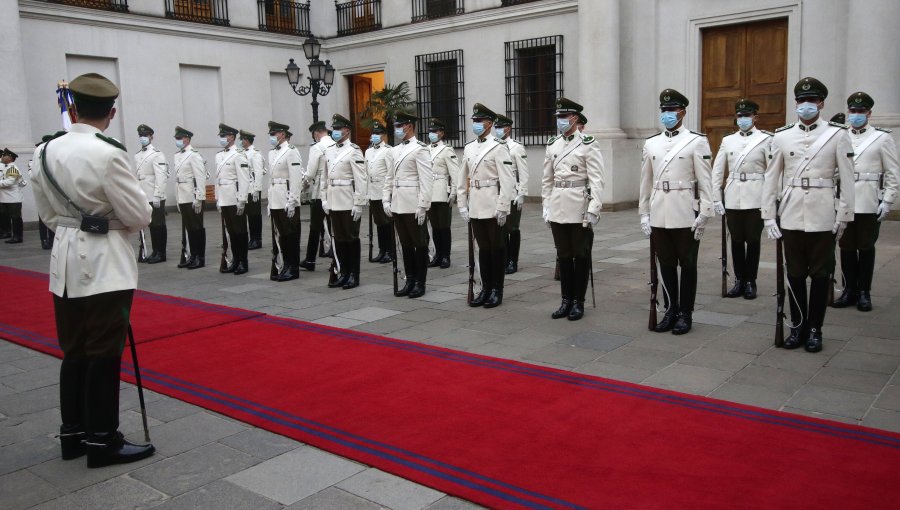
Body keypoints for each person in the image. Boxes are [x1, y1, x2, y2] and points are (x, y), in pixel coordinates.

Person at [29, 72, 155, 468]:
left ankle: (74, 434)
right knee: (104, 352)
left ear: (73, 108)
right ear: (111, 112)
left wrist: (72, 227)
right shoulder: (108, 152)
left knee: (75, 349)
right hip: (104, 264)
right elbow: (139, 214)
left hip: (64, 261)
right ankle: (103, 440)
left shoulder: (44, 150)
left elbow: (46, 214)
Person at [762, 77, 855, 353]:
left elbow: (847, 180)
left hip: (823, 213)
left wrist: (844, 215)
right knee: (795, 273)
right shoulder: (782, 135)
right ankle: (798, 325)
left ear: (821, 103)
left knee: (821, 274)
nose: (806, 105)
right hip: (791, 214)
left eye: (811, 101)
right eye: (801, 101)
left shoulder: (837, 134)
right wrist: (768, 216)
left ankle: (815, 329)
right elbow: (771, 177)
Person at [639, 89, 714, 335]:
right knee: (666, 265)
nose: (668, 114)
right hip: (660, 210)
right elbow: (645, 181)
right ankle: (670, 310)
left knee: (688, 264)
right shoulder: (651, 143)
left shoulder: (696, 140)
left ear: (682, 111)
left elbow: (705, 180)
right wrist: (644, 213)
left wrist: (705, 212)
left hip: (685, 211)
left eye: (672, 110)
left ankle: (685, 314)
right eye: (664, 110)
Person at [831, 91, 898, 311]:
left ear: (869, 113)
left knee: (866, 246)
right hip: (845, 201)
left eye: (861, 111)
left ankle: (864, 292)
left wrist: (888, 200)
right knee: (846, 246)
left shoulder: (882, 138)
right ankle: (848, 289)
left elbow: (892, 172)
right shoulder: (839, 135)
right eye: (853, 111)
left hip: (869, 199)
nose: (856, 114)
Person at [542, 98, 605, 320]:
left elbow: (597, 180)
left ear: (574, 118)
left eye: (563, 117)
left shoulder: (588, 143)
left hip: (580, 205)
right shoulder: (553, 144)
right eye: (558, 117)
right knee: (564, 255)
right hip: (558, 204)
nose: (560, 121)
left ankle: (579, 301)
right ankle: (565, 300)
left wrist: (594, 208)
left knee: (580, 254)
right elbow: (547, 180)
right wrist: (545, 205)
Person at [710, 99, 772, 299]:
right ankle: (738, 280)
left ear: (756, 117)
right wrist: (716, 197)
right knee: (736, 240)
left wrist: (773, 199)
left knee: (753, 240)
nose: (743, 119)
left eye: (747, 115)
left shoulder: (766, 139)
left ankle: (750, 281)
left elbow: (772, 172)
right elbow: (718, 170)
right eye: (740, 116)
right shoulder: (728, 140)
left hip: (756, 196)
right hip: (733, 196)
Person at [457, 103, 516, 308]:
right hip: (475, 204)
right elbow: (462, 177)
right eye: (474, 121)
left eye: (480, 121)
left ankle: (496, 290)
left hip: (492, 203)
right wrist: (462, 203)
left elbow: (507, 180)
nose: (476, 124)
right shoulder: (469, 147)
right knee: (483, 249)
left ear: (490, 124)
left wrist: (503, 207)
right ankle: (485, 288)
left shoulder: (499, 147)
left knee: (496, 248)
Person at [384, 111, 433, 298]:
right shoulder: (394, 150)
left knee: (419, 244)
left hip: (413, 202)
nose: (397, 129)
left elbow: (426, 180)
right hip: (398, 202)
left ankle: (420, 282)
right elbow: (389, 177)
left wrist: (423, 205)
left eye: (400, 125)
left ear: (410, 126)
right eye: (396, 125)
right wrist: (386, 199)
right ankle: (410, 278)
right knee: (405, 244)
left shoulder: (420, 149)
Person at [322, 114, 367, 289]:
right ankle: (343, 272)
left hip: (347, 199)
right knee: (339, 239)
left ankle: (354, 275)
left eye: (339, 129)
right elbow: (324, 177)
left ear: (347, 131)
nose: (336, 132)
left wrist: (358, 203)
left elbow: (361, 179)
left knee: (351, 238)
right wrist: (324, 198)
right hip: (333, 199)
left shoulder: (354, 150)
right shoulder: (330, 150)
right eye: (334, 129)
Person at [267, 121, 304, 281]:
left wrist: (293, 200)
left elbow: (295, 178)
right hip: (275, 197)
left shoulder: (291, 151)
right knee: (281, 234)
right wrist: (269, 201)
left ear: (282, 134)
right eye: (271, 134)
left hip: (286, 197)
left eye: (274, 134)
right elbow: (271, 179)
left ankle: (292, 268)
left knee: (290, 234)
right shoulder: (271, 153)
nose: (272, 137)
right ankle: (284, 265)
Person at [214, 123, 250, 274]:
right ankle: (235, 260)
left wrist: (242, 200)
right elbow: (217, 179)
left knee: (240, 231)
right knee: (231, 232)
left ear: (232, 137)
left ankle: (243, 261)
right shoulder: (219, 155)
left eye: (224, 136)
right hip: (224, 198)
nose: (222, 139)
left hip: (235, 198)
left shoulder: (239, 154)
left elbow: (244, 179)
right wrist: (217, 198)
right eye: (221, 136)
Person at [494, 113, 528, 274]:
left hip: (512, 192)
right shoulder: (493, 146)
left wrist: (522, 193)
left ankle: (512, 261)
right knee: (500, 228)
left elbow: (523, 172)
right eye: (496, 127)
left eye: (500, 127)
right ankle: (503, 258)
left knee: (512, 228)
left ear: (508, 128)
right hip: (497, 192)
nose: (498, 130)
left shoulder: (516, 147)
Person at [299, 121, 336, 271]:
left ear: (316, 133)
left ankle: (310, 259)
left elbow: (310, 172)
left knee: (315, 226)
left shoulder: (317, 147)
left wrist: (304, 180)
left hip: (320, 191)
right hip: (334, 189)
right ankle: (336, 257)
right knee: (334, 226)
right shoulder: (335, 145)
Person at [426, 118, 459, 269]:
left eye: (435, 131)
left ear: (441, 133)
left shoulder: (447, 150)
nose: (432, 133)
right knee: (435, 226)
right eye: (430, 131)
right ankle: (438, 255)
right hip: (429, 192)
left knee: (444, 226)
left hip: (442, 192)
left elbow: (455, 173)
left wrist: (453, 192)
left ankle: (446, 256)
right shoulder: (426, 149)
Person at [172, 126, 207, 269]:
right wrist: (177, 197)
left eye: (180, 138)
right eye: (176, 138)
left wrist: (199, 197)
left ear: (187, 139)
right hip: (183, 195)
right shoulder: (177, 155)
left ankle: (200, 257)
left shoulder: (194, 155)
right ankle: (192, 256)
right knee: (189, 228)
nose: (178, 141)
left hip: (192, 196)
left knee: (197, 227)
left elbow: (200, 177)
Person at [133, 124, 168, 263]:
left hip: (154, 195)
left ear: (151, 137)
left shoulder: (157, 154)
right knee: (150, 224)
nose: (143, 138)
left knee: (158, 224)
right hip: (144, 195)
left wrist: (158, 195)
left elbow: (161, 176)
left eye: (145, 135)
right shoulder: (138, 155)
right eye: (141, 136)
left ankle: (161, 252)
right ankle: (154, 251)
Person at [365, 120, 394, 263]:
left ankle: (390, 251)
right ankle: (382, 250)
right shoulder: (368, 151)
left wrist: (389, 193)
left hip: (383, 189)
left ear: (383, 135)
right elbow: (366, 172)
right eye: (373, 133)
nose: (375, 135)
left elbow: (391, 172)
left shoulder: (388, 150)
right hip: (372, 190)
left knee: (387, 222)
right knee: (379, 222)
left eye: (378, 133)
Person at [240, 130, 266, 250]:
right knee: (247, 215)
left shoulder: (255, 154)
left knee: (254, 215)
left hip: (252, 189)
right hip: (244, 189)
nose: (242, 142)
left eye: (243, 140)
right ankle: (251, 239)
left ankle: (257, 239)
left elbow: (259, 173)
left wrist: (257, 189)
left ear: (248, 140)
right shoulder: (241, 153)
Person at [0, 148, 25, 244]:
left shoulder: (12, 168)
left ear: (10, 157)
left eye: (4, 155)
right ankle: (9, 233)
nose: (2, 157)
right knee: (6, 216)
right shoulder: (7, 167)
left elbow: (10, 182)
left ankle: (18, 236)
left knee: (15, 218)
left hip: (13, 198)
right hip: (6, 197)